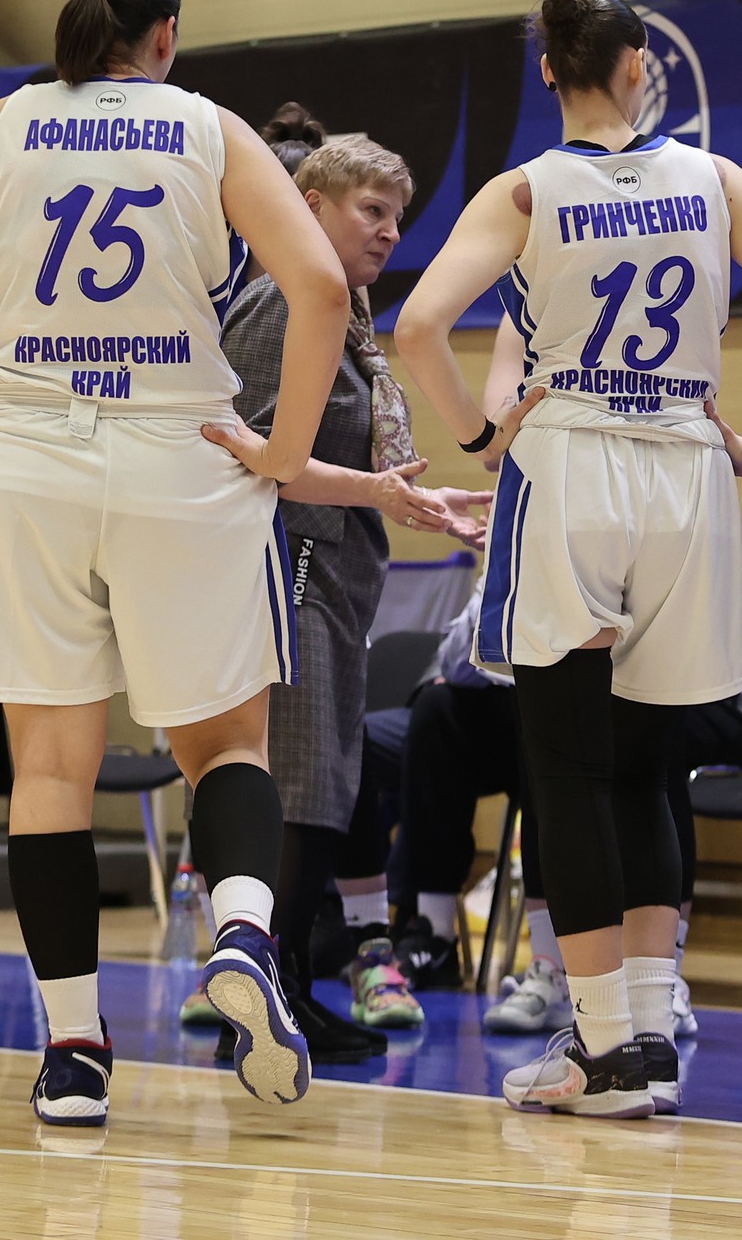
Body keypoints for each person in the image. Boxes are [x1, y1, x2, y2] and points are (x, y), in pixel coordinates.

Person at [0, 0, 350, 1128]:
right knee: (224, 747)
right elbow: (322, 287)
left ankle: (72, 1049)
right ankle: (241, 928)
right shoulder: (208, 127)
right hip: (180, 451)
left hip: (26, 460)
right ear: (165, 33)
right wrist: (283, 452)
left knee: (48, 771)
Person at [396, 0, 742, 1120]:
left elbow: (416, 325)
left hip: (572, 461)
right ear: (638, 64)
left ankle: (601, 1047)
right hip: (686, 467)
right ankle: (647, 1036)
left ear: (549, 73)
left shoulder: (526, 189)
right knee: (652, 765)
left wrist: (477, 436)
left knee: (568, 767)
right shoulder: (715, 180)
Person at [211, 132, 488, 1059]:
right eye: (371, 209)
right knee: (299, 786)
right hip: (287, 563)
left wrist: (417, 500)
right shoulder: (280, 302)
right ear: (310, 205)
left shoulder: (346, 311)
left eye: (397, 215)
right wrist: (377, 492)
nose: (389, 230)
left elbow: (349, 457)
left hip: (333, 566)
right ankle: (271, 997)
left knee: (324, 787)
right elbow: (248, 453)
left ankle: (286, 985)